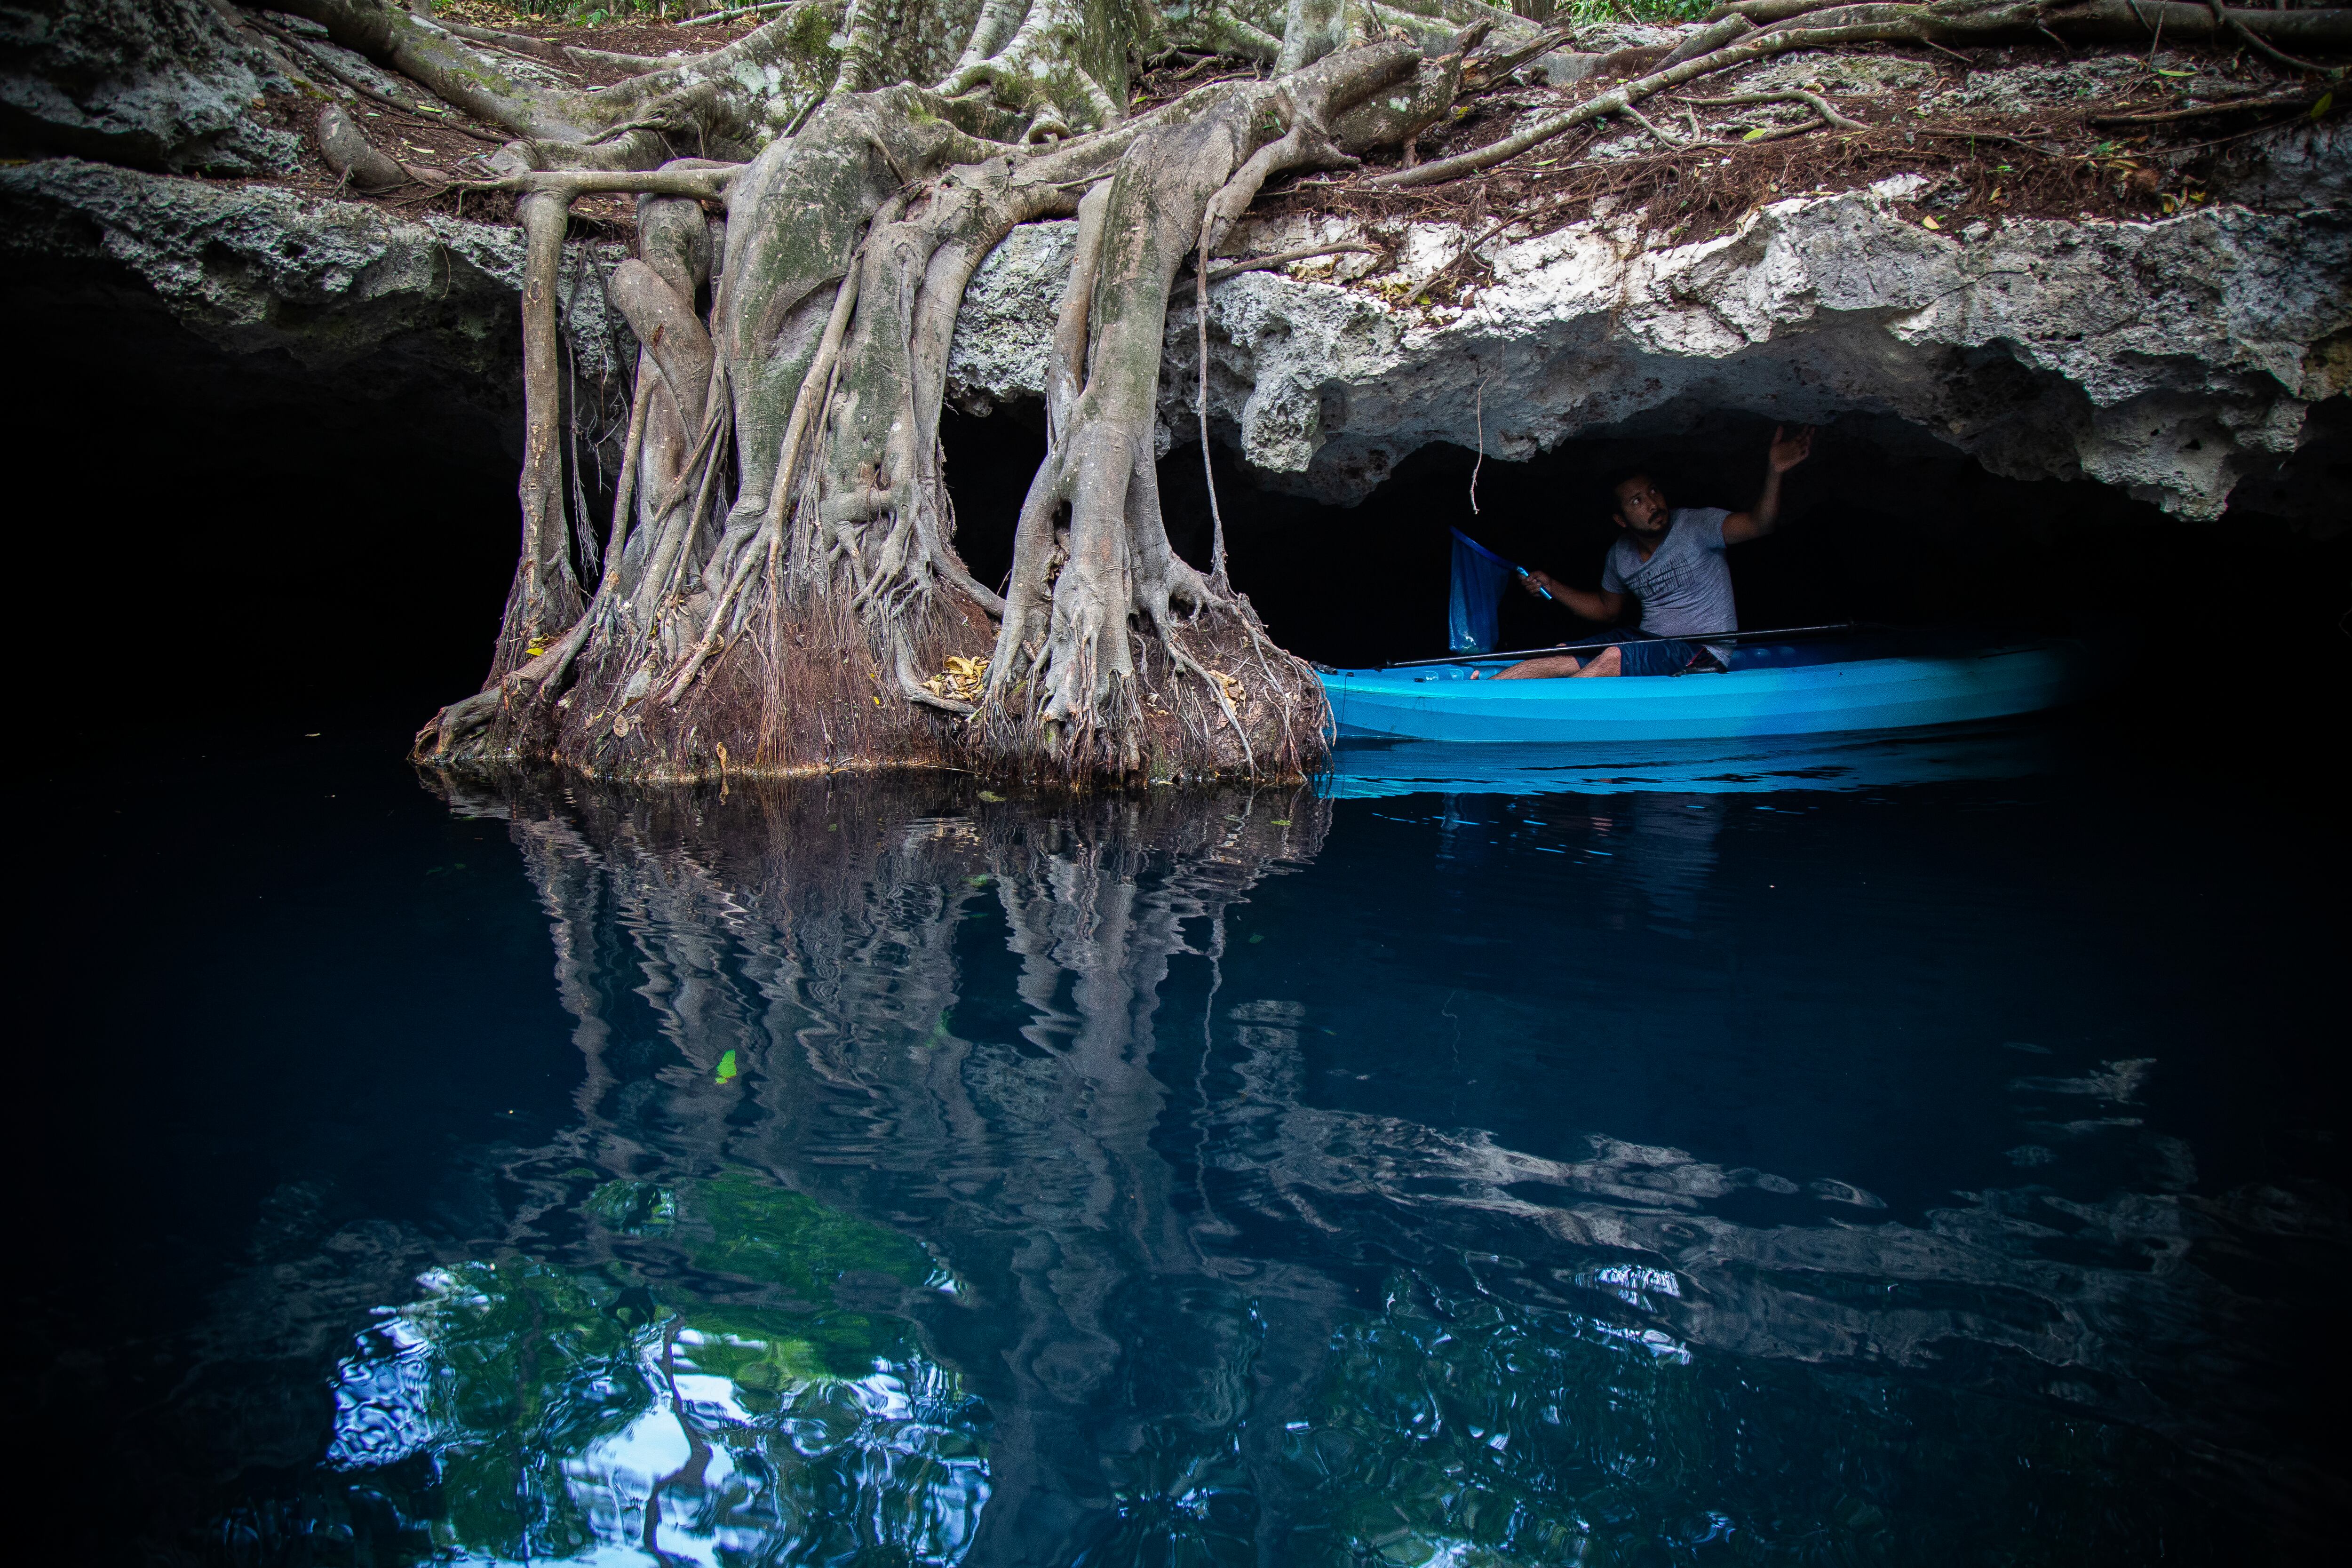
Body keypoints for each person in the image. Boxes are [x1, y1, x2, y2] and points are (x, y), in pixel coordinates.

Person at [1491, 426, 1813, 678]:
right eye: (1637, 502)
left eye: (1653, 492)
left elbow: (1760, 524)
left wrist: (1775, 471)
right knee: (1560, 653)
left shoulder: (1697, 525)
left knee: (1612, 658)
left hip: (1701, 649)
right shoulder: (1621, 555)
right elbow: (1606, 610)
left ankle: (1550, 718)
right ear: (1621, 519)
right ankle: (1487, 694)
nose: (1652, 504)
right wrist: (1552, 585)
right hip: (1646, 638)